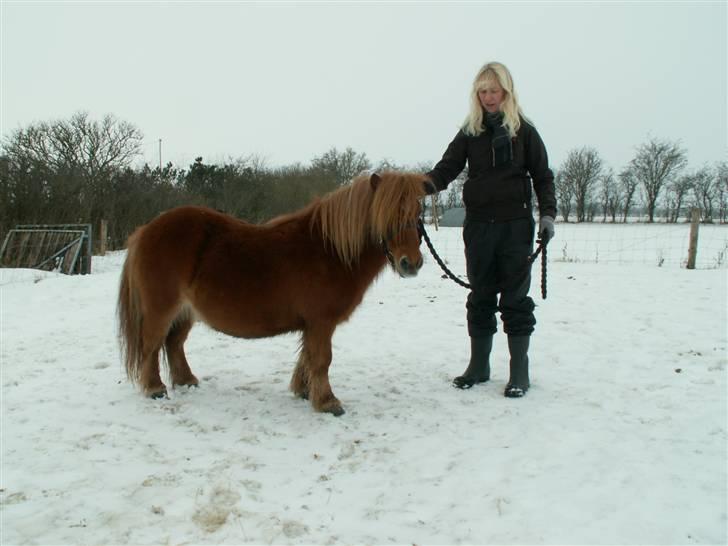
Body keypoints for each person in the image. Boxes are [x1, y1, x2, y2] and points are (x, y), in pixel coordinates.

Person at [424, 61, 556, 398]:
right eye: (482, 91)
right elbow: (446, 170)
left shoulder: (524, 131)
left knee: (515, 298)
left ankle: (518, 373)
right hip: (479, 227)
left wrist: (548, 216)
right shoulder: (470, 132)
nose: (488, 97)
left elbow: (543, 176)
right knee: (481, 295)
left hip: (515, 228)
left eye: (493, 91)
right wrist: (415, 188)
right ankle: (479, 367)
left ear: (506, 92)